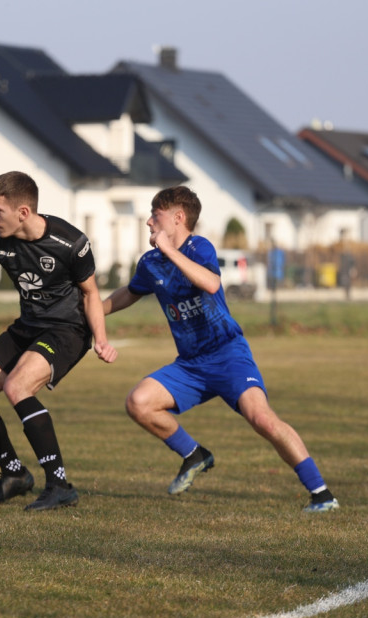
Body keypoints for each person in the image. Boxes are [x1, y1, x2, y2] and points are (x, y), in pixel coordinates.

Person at [102, 186, 339, 512]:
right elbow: (130, 292)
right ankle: (194, 454)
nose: (148, 222)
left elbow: (211, 283)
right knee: (138, 402)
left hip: (228, 354)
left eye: (155, 216)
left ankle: (321, 493)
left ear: (177, 218)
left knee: (263, 421)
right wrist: (93, 312)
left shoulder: (200, 248)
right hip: (190, 364)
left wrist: (170, 251)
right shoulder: (150, 262)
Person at [0, 171, 117, 511]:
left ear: (23, 212)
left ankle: (59, 484)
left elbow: (91, 294)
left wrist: (101, 339)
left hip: (67, 330)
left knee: (18, 387)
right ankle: (14, 474)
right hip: (27, 327)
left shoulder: (72, 243)